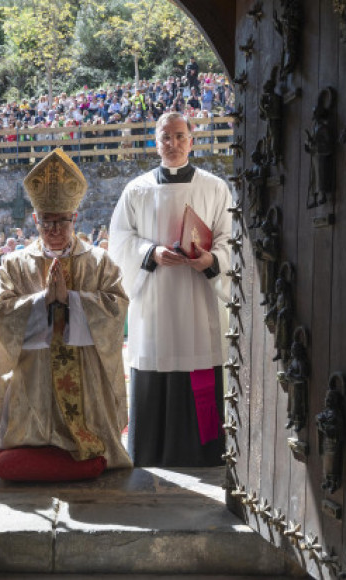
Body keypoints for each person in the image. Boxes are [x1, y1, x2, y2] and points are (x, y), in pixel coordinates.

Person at [0, 147, 132, 474]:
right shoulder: (15, 263)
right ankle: (35, 441)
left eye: (61, 222)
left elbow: (117, 306)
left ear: (74, 218)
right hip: (33, 369)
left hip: (84, 366)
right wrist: (42, 302)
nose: (53, 230)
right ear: (36, 220)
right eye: (46, 222)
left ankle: (88, 440)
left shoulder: (98, 261)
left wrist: (72, 301)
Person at [109, 112, 232, 467]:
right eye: (166, 137)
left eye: (180, 136)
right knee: (154, 366)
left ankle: (205, 452)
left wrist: (212, 260)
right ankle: (151, 452)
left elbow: (232, 237)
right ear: (155, 141)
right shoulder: (137, 189)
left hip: (199, 299)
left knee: (201, 367)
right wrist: (150, 252)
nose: (173, 144)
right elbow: (119, 240)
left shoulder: (214, 187)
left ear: (192, 140)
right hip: (154, 300)